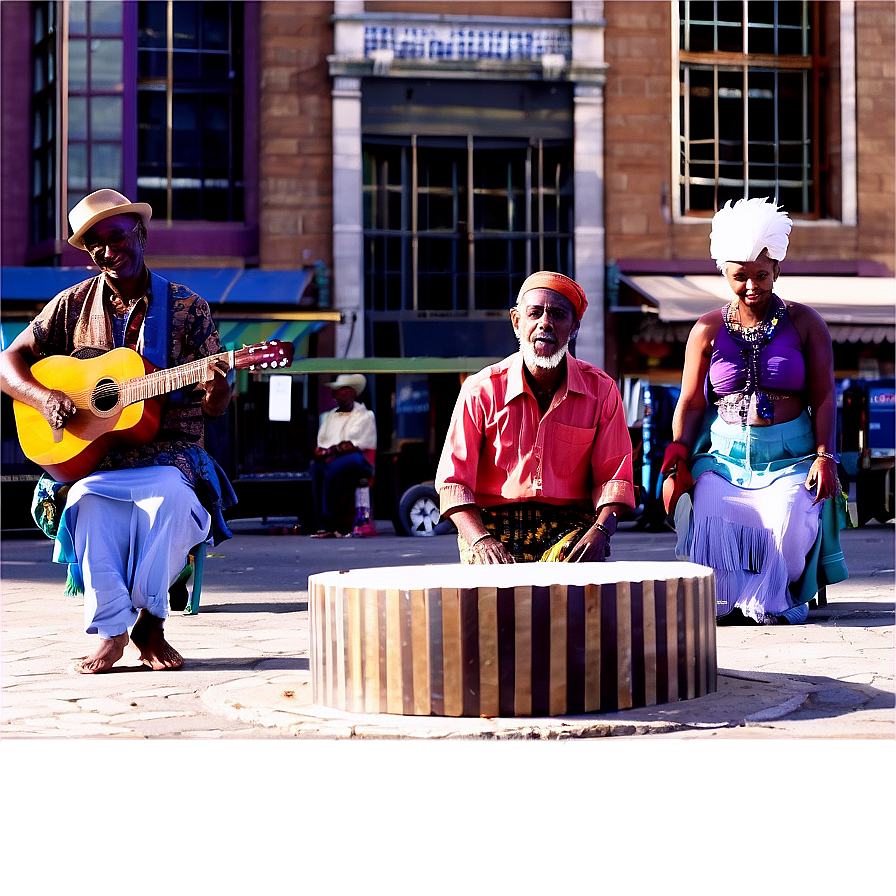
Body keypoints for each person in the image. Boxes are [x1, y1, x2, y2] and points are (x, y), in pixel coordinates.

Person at [0, 189, 235, 672]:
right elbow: (8, 361)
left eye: (115, 237)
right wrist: (46, 397)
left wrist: (218, 392)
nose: (107, 251)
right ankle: (110, 632)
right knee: (85, 504)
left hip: (170, 455)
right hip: (100, 458)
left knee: (169, 499)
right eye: (94, 245)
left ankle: (150, 623)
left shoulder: (188, 308)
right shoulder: (69, 306)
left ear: (140, 234)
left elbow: (215, 404)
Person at [662, 197, 847, 625]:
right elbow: (690, 400)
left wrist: (825, 456)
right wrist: (676, 460)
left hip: (792, 458)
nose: (751, 286)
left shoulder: (806, 323)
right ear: (724, 274)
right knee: (709, 517)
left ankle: (774, 598)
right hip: (724, 458)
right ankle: (728, 602)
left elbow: (823, 395)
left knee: (786, 524)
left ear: (777, 271)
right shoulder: (705, 328)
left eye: (761, 275)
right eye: (740, 276)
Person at [436, 271, 635, 564]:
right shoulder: (480, 389)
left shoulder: (602, 391)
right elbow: (453, 483)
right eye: (535, 313)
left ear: (574, 328)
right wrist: (480, 540)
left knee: (573, 597)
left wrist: (602, 531)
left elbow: (615, 478)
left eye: (558, 314)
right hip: (490, 524)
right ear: (517, 321)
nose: (545, 322)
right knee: (494, 603)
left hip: (568, 525)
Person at [309, 373, 377, 537]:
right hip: (333, 458)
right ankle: (320, 522)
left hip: (360, 460)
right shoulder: (331, 416)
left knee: (334, 469)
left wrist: (332, 450)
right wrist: (325, 451)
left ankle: (331, 523)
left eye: (340, 391)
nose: (336, 395)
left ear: (351, 393)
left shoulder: (365, 415)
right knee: (316, 467)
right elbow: (322, 441)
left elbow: (355, 443)